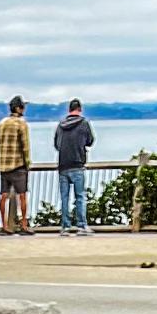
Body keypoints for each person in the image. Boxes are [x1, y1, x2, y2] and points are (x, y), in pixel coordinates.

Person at [53, 98, 94, 233]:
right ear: (80, 109)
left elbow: (57, 145)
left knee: (64, 197)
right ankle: (81, 225)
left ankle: (65, 226)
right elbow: (90, 141)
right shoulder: (84, 123)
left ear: (69, 110)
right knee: (80, 196)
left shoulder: (60, 125)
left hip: (63, 165)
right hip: (78, 164)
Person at [0, 95, 31, 234]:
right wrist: (27, 163)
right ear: (18, 108)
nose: (24, 109)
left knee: (4, 195)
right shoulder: (22, 124)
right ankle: (23, 225)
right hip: (18, 165)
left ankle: (4, 226)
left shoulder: (2, 123)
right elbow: (25, 146)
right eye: (23, 107)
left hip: (4, 166)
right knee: (22, 195)